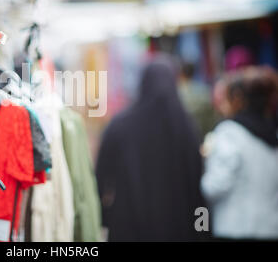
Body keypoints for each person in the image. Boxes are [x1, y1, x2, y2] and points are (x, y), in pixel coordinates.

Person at [96, 54, 207, 241]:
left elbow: (101, 176)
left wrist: (105, 216)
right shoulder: (186, 128)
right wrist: (202, 227)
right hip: (177, 226)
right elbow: (197, 182)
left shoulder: (120, 125)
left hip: (128, 225)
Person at [201, 66, 278, 240]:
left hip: (235, 228)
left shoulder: (229, 133)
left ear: (237, 99)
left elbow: (214, 186)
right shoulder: (273, 133)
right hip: (270, 228)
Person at [178, 61, 217, 139]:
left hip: (186, 139)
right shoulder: (204, 90)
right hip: (204, 136)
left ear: (181, 74)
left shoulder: (177, 93)